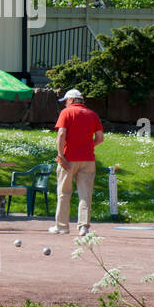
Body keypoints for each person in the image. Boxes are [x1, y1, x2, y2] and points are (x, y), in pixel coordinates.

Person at [51, 88, 104, 236]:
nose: (65, 105)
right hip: (88, 160)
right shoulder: (92, 114)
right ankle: (83, 227)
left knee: (64, 193)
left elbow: (61, 133)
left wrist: (60, 155)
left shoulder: (66, 113)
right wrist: (87, 146)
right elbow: (100, 138)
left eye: (66, 101)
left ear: (72, 100)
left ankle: (62, 227)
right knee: (85, 194)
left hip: (68, 159)